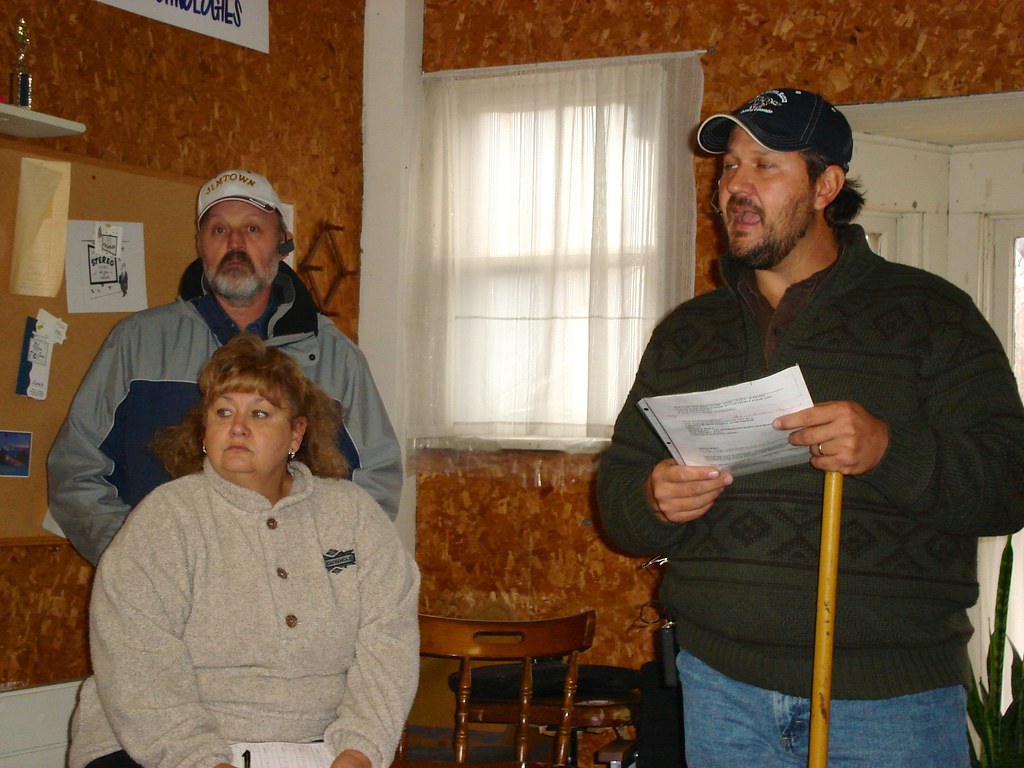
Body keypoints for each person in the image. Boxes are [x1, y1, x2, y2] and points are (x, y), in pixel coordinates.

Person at [597, 87, 1024, 767]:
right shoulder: (687, 333)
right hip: (720, 689)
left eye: (766, 166)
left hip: (890, 702)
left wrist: (890, 448)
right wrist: (652, 498)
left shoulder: (933, 315)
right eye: (730, 166)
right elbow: (619, 496)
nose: (737, 186)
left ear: (827, 186)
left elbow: (1009, 484)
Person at [67, 333, 419, 768]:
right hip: (158, 746)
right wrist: (202, 761)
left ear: (296, 433)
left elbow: (389, 647)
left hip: (322, 744)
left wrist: (360, 752)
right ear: (203, 432)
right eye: (222, 412)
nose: (237, 426)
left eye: (259, 413)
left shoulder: (353, 515)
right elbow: (138, 671)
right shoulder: (163, 521)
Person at [48, 169, 402, 566]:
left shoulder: (338, 358)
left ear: (282, 242)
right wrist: (137, 561)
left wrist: (325, 569)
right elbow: (75, 473)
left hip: (295, 599)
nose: (235, 243)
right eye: (218, 230)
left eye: (252, 228)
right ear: (200, 244)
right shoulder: (137, 344)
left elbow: (377, 480)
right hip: (171, 595)